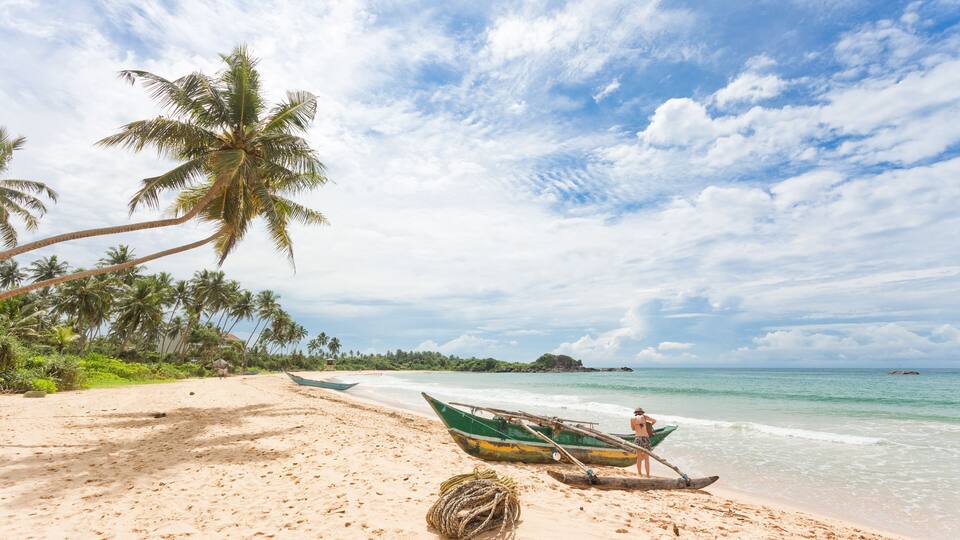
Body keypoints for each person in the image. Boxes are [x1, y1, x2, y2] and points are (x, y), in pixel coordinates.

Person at [630, 407, 656, 478]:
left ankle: (639, 474)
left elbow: (633, 429)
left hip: (638, 438)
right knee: (646, 458)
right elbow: (654, 421)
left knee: (639, 458)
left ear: (635, 413)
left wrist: (637, 426)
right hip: (646, 439)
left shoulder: (632, 419)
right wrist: (648, 425)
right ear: (642, 412)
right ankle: (647, 475)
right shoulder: (645, 417)